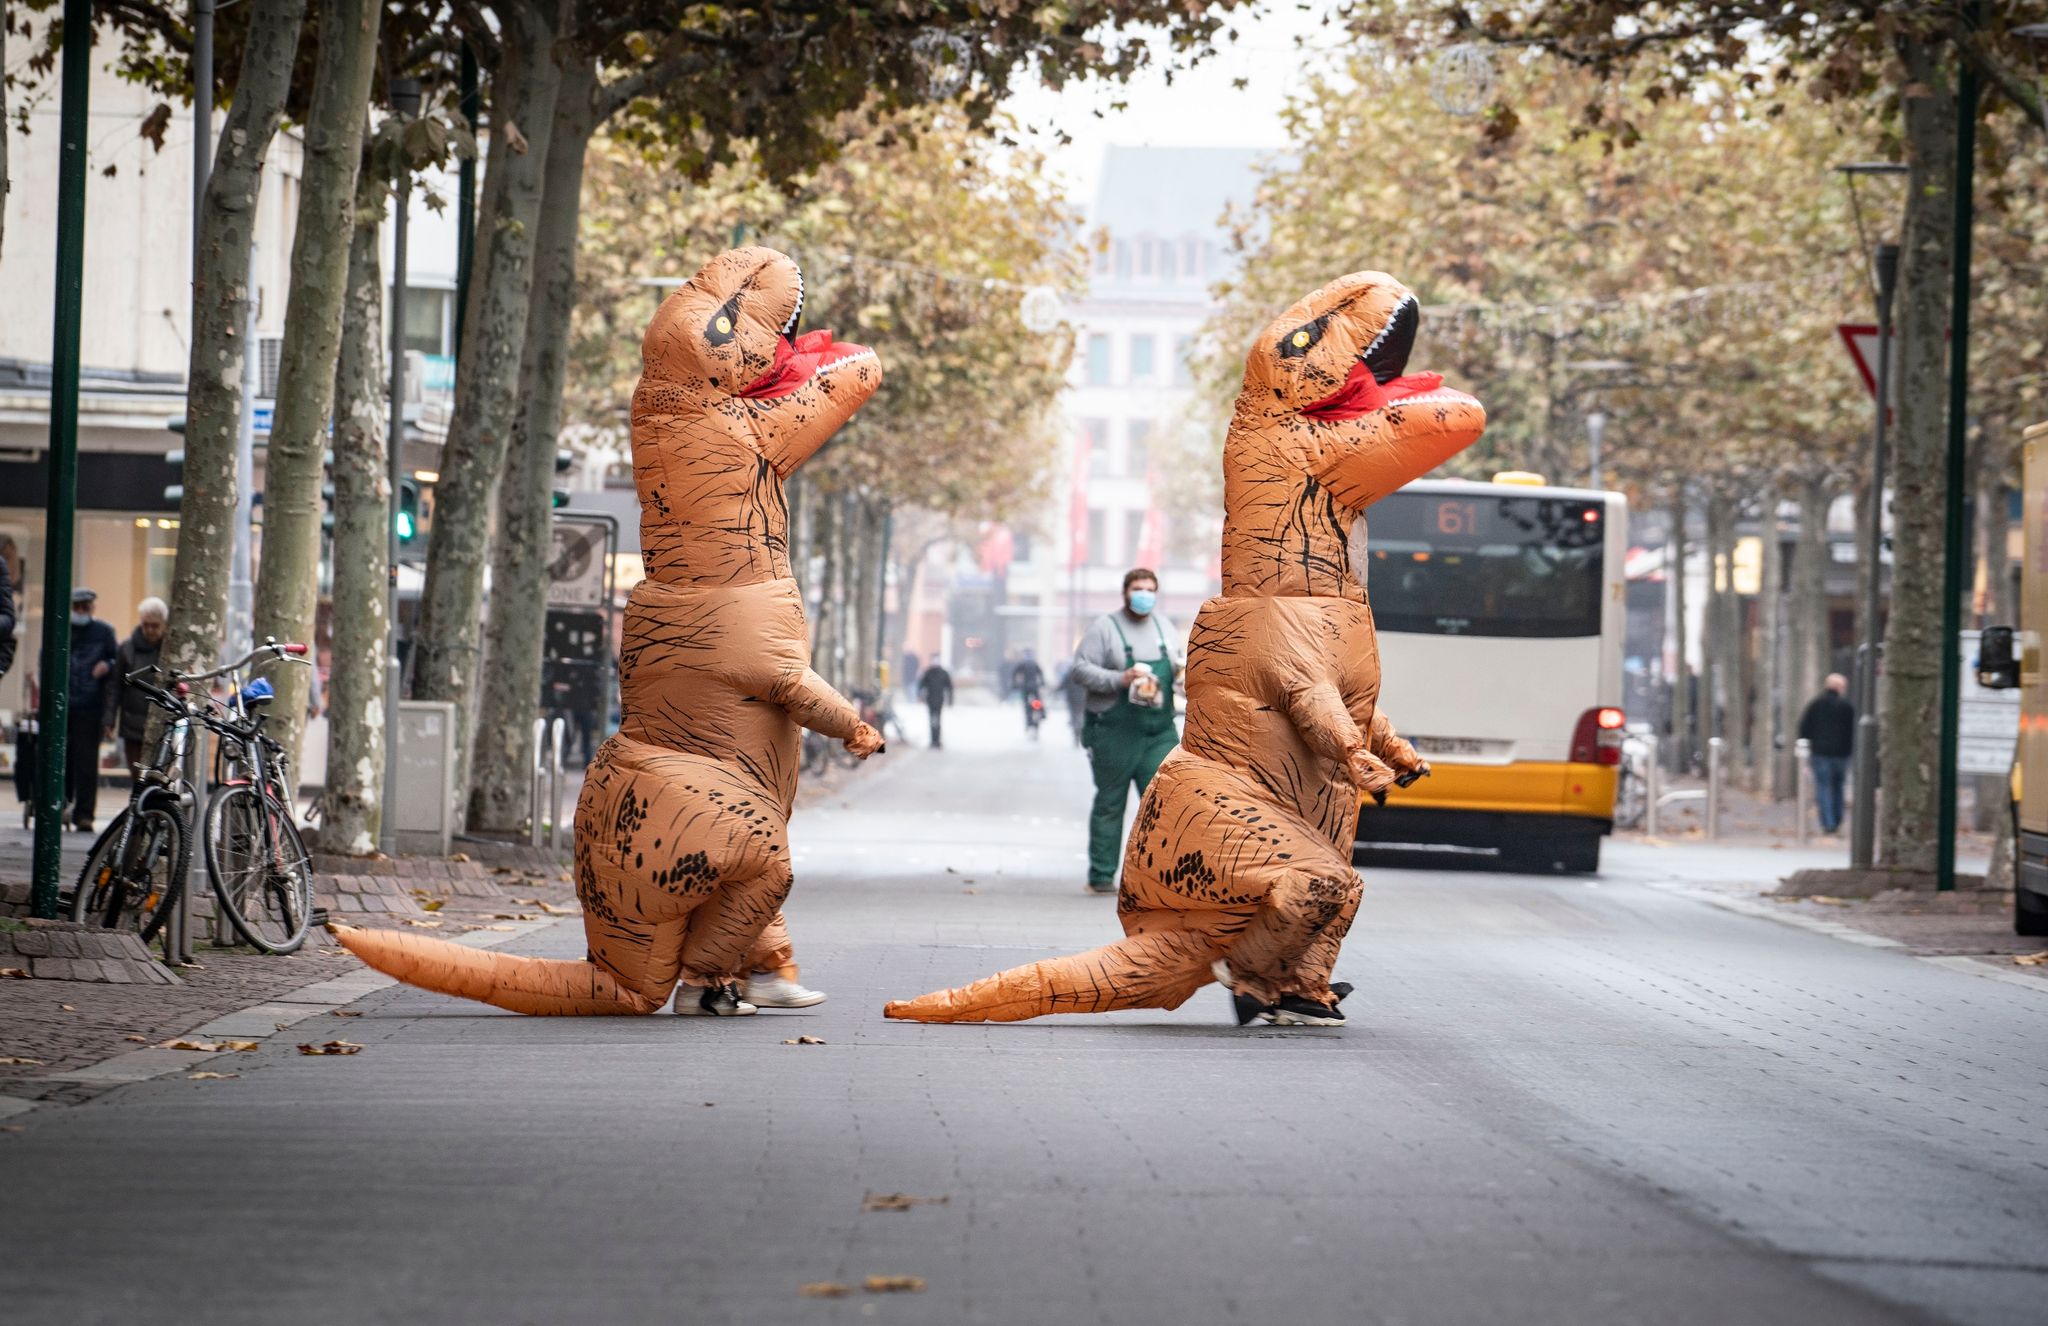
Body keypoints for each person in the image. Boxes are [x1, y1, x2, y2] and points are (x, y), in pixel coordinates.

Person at [1071, 567, 1183, 893]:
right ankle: (1102, 875)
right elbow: (1080, 670)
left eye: (1150, 589)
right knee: (1111, 801)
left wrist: (1181, 677)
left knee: (1163, 802)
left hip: (1159, 729)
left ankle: (1156, 877)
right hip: (1114, 728)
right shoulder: (1105, 628)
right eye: (1138, 588)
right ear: (1125, 592)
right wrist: (1118, 679)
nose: (1144, 594)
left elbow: (1177, 666)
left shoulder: (1165, 627)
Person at [64, 588, 119, 832]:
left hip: (90, 705)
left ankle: (84, 814)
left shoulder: (104, 632)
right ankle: (62, 805)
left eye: (86, 608)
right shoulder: (62, 629)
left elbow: (116, 662)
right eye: (78, 607)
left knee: (86, 762)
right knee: (64, 758)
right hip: (64, 704)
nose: (82, 612)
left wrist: (106, 665)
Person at [107, 597, 170, 771]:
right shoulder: (127, 648)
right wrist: (109, 720)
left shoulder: (171, 651)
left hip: (162, 725)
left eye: (155, 625)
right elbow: (115, 686)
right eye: (146, 624)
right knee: (137, 774)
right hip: (132, 725)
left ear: (164, 624)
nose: (150, 630)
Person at [1797, 673, 1856, 835]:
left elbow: (1804, 727)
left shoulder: (1816, 704)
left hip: (1821, 752)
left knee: (1823, 787)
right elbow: (1853, 731)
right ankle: (1837, 820)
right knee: (1839, 787)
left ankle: (1827, 822)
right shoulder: (1847, 706)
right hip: (1842, 754)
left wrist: (1808, 745)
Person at [917, 656, 954, 748]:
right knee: (933, 720)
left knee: (937, 720)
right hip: (930, 700)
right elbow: (921, 684)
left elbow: (949, 687)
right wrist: (920, 695)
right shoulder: (929, 672)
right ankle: (933, 740)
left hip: (939, 700)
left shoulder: (943, 673)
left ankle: (936, 740)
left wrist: (950, 699)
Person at [1010, 648, 1046, 730]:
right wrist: (1043, 683)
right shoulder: (1035, 663)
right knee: (1037, 701)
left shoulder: (1021, 664)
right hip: (1034, 687)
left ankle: (1029, 722)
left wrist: (1014, 684)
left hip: (1025, 687)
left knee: (1026, 705)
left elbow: (1014, 674)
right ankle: (1041, 712)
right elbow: (1041, 674)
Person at [1059, 661, 1087, 748]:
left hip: (1072, 700)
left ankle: (1076, 734)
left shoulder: (1068, 674)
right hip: (1082, 699)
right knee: (1080, 716)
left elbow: (1061, 686)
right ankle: (1080, 729)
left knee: (1074, 716)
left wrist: (1053, 691)